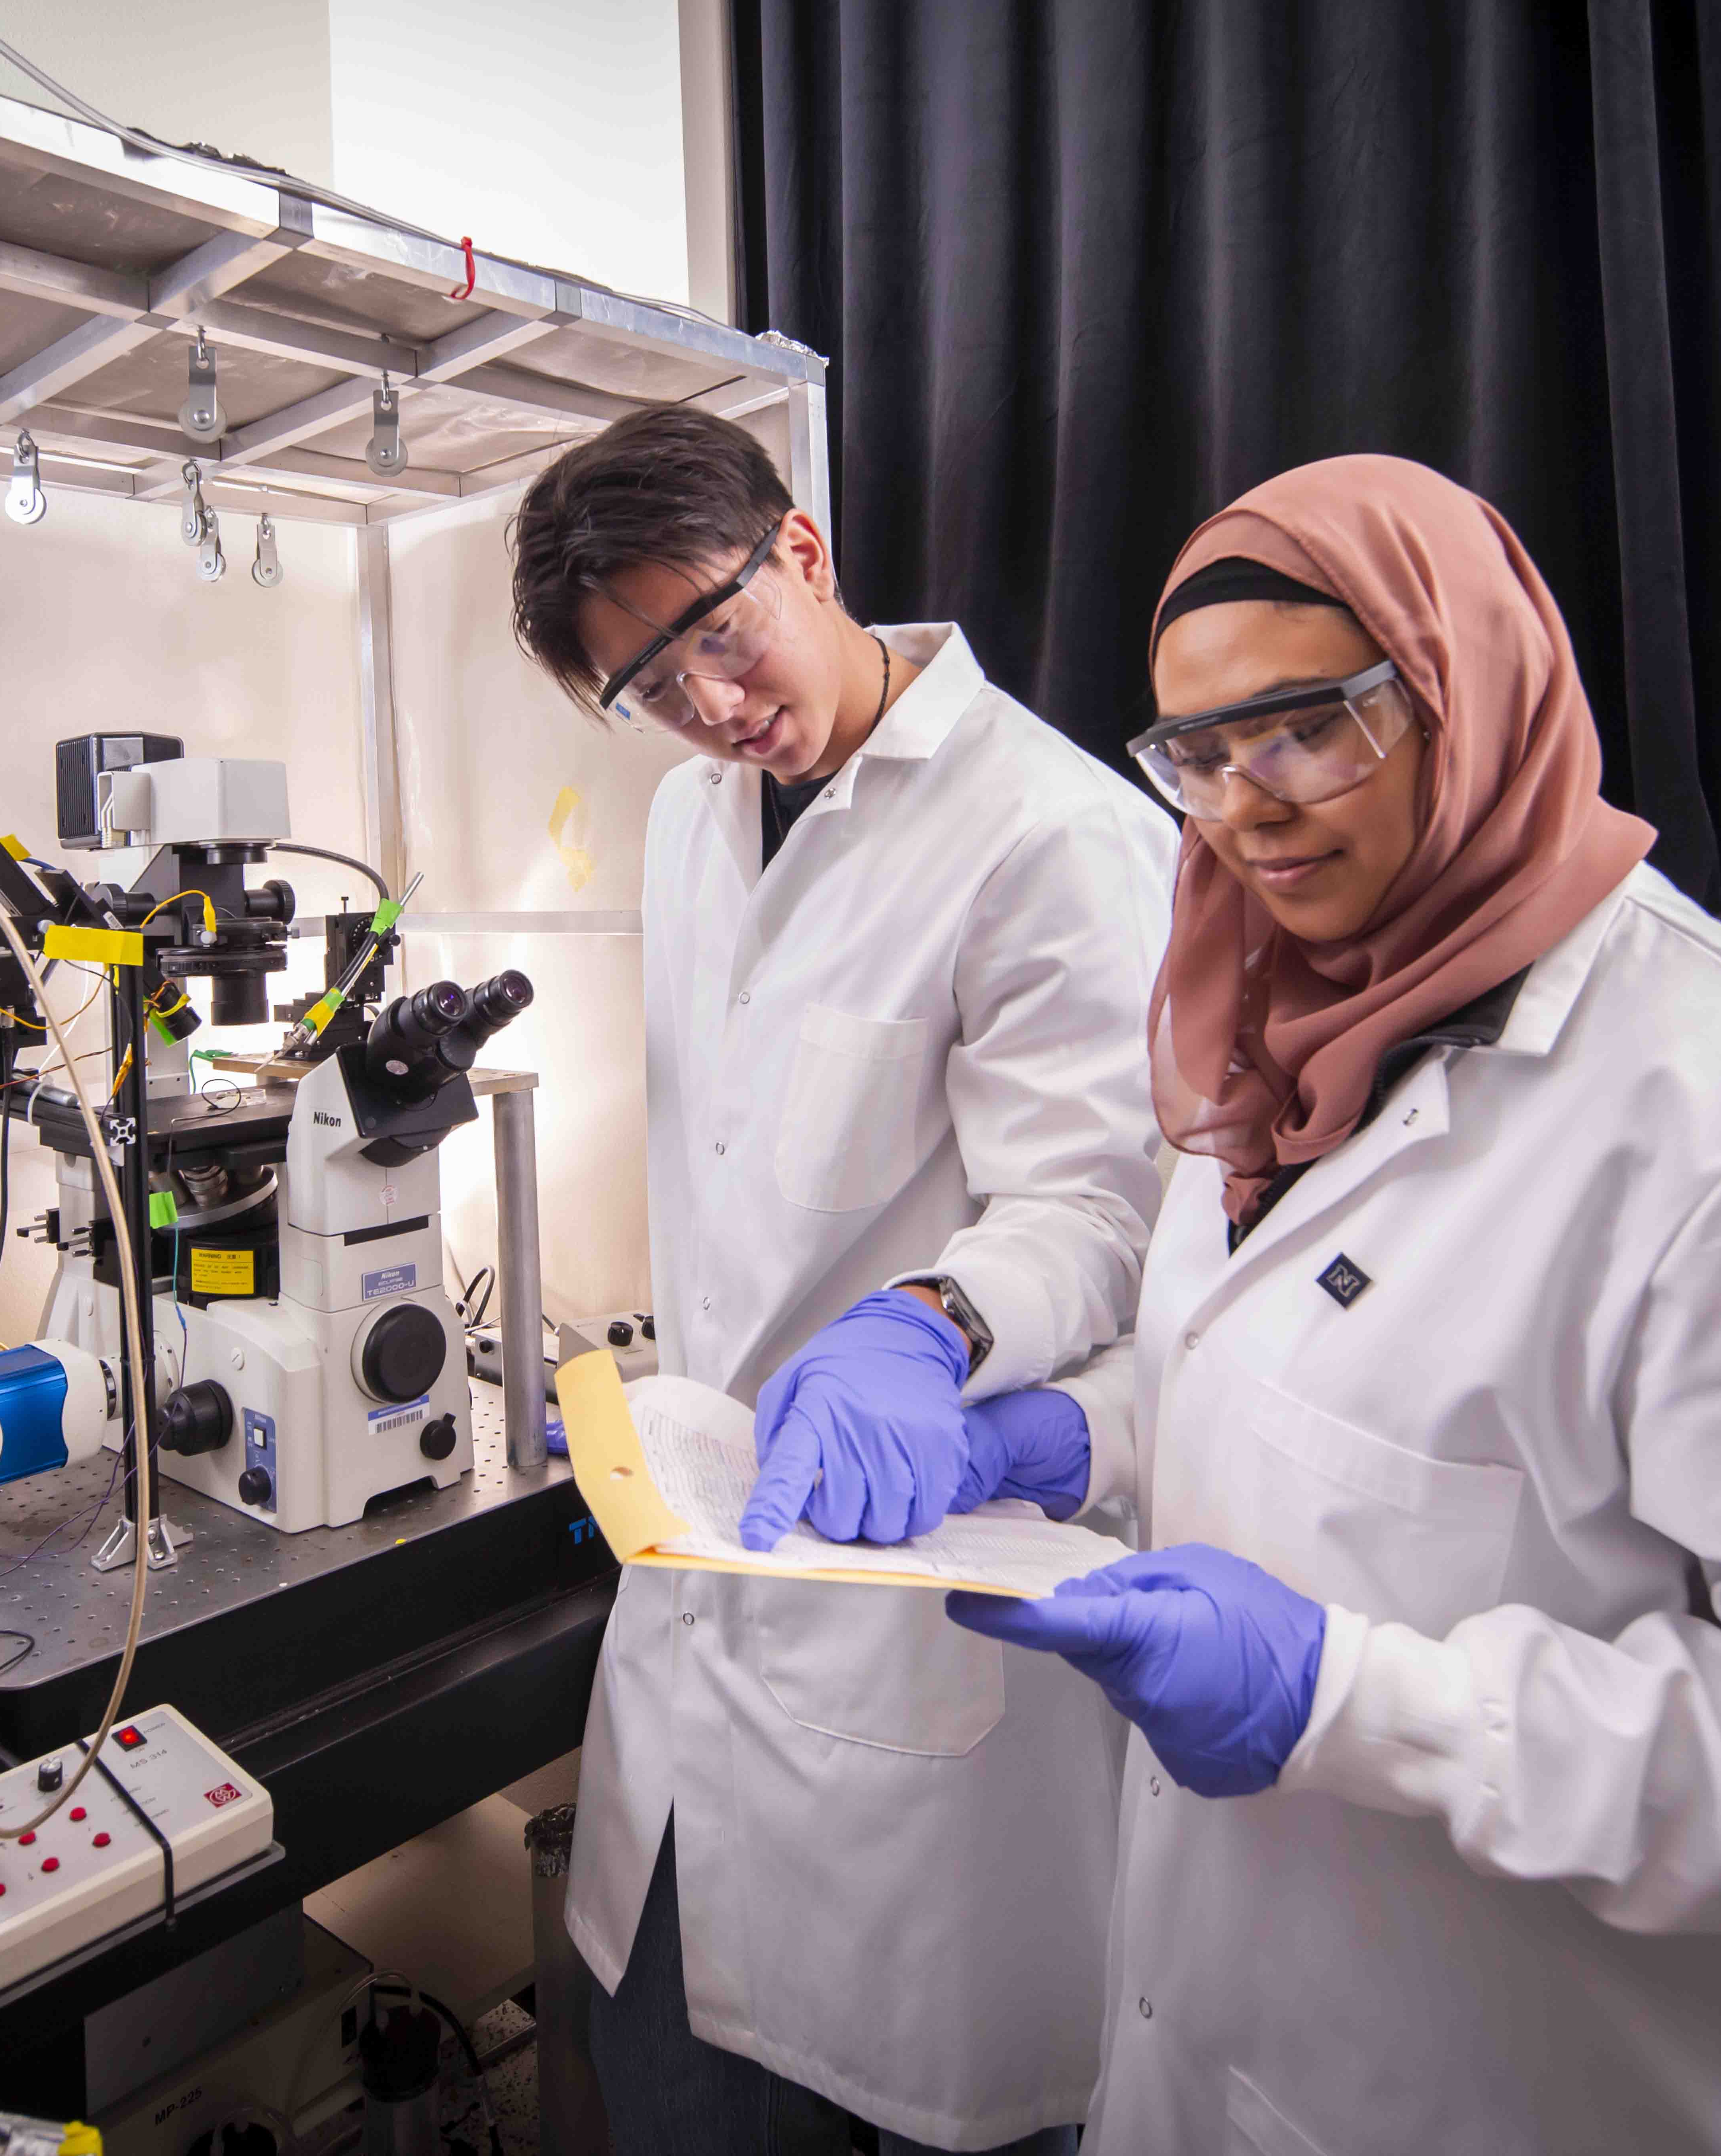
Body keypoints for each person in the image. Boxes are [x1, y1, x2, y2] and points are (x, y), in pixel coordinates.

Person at [754, 453, 1721, 2153]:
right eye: (1199, 754)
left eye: (1310, 727)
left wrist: (1360, 1707)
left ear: (1470, 691)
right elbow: (1340, 1392)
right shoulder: (1287, 1042)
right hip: (1258, 2059)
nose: (1246, 806)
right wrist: (1085, 1435)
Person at [508, 408, 1177, 2155]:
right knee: (671, 2081)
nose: (711, 705)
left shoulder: (1049, 831)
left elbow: (1099, 1212)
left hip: (907, 1639)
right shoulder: (687, 823)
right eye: (651, 686)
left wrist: (926, 1326)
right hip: (697, 1627)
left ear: (800, 551)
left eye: (717, 634)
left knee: (927, 2087)